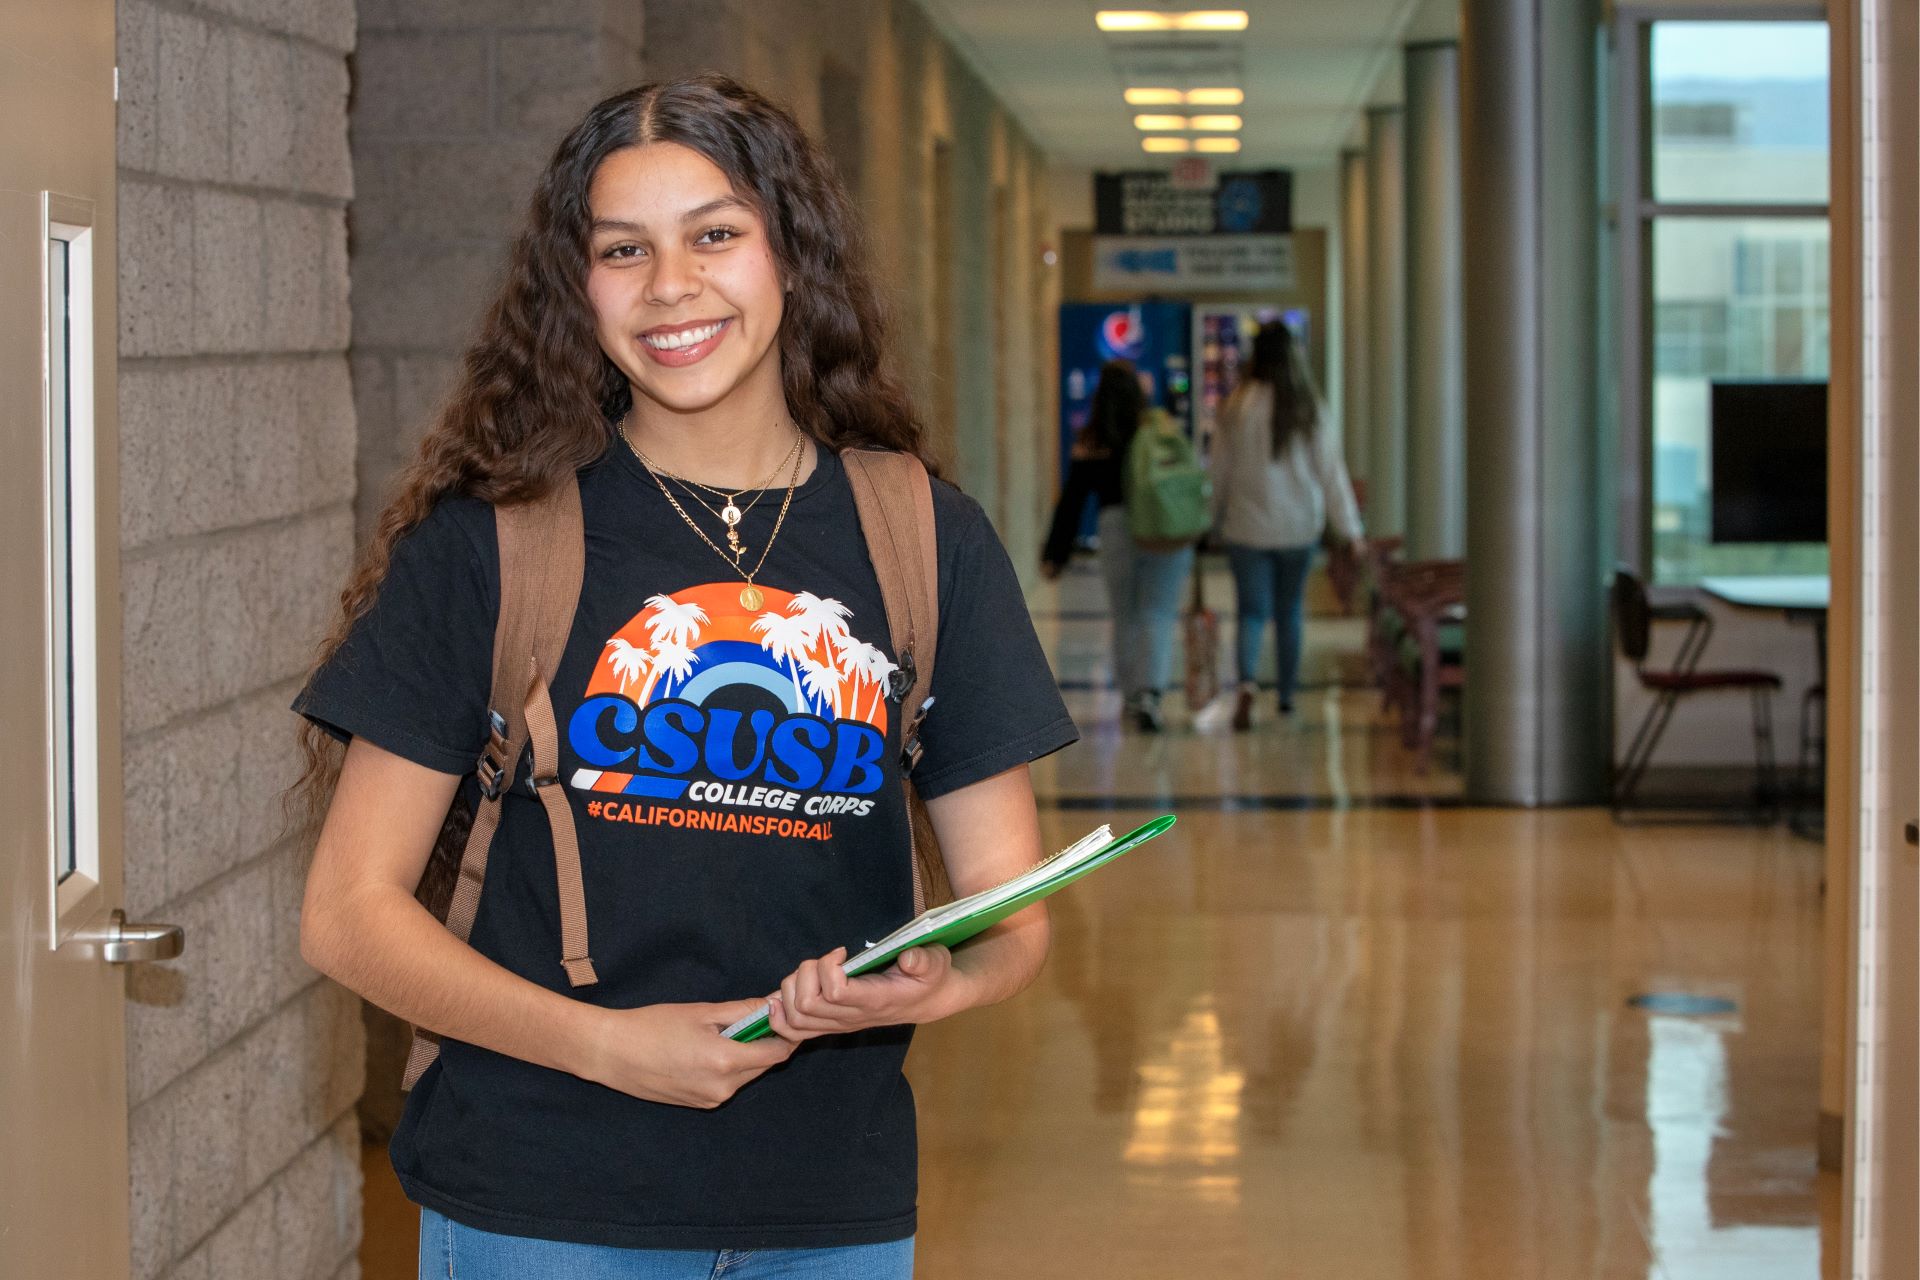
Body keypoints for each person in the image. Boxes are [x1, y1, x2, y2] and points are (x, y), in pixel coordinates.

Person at [287, 74, 1078, 1280]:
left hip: (833, 1205)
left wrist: (937, 983)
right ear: (578, 285)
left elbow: (1010, 913)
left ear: (791, 254)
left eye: (716, 232)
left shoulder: (924, 535)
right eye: (624, 248)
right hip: (541, 1198)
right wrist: (608, 1047)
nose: (671, 285)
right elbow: (348, 914)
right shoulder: (494, 539)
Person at [1208, 323, 1363, 731]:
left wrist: (1210, 520)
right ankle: (1288, 696)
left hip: (1246, 529)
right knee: (1289, 612)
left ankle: (1246, 685)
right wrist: (1350, 531)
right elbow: (1331, 474)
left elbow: (1219, 472)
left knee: (1251, 614)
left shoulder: (1236, 406)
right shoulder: (1308, 406)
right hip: (1298, 530)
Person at [1040, 361, 1194, 733]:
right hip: (1161, 527)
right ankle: (1151, 694)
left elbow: (1072, 501)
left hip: (1115, 529)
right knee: (1157, 613)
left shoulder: (1094, 437)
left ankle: (1129, 695)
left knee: (1125, 615)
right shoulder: (1155, 429)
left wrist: (1055, 553)